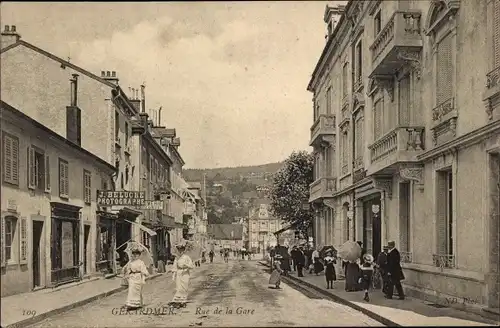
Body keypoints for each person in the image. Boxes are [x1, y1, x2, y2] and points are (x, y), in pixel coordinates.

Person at [169, 242, 195, 308]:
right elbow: (175, 266)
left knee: (184, 287)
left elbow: (191, 266)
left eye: (182, 250)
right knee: (178, 287)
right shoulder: (177, 258)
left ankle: (183, 301)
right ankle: (178, 301)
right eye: (179, 250)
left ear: (184, 250)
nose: (180, 251)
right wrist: (173, 275)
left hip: (185, 273)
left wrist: (186, 265)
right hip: (179, 273)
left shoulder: (187, 257)